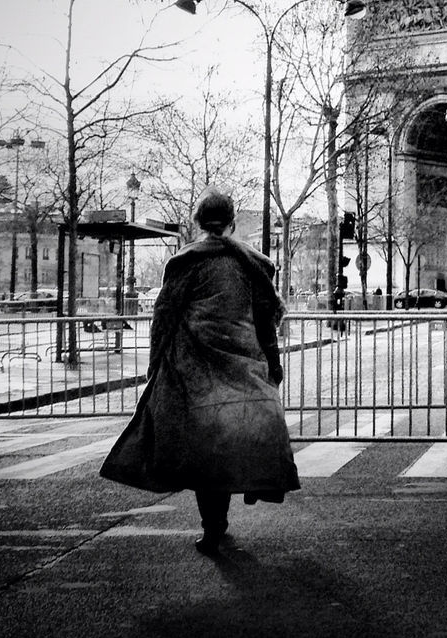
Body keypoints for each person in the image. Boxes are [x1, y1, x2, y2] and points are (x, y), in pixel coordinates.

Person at [100, 189, 300, 555]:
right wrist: (272, 361)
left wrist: (156, 360)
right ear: (232, 221)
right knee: (249, 434)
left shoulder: (184, 262)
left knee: (206, 448)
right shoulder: (252, 263)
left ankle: (213, 526)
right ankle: (252, 489)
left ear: (196, 222)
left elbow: (163, 317)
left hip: (197, 370)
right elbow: (265, 319)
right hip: (244, 364)